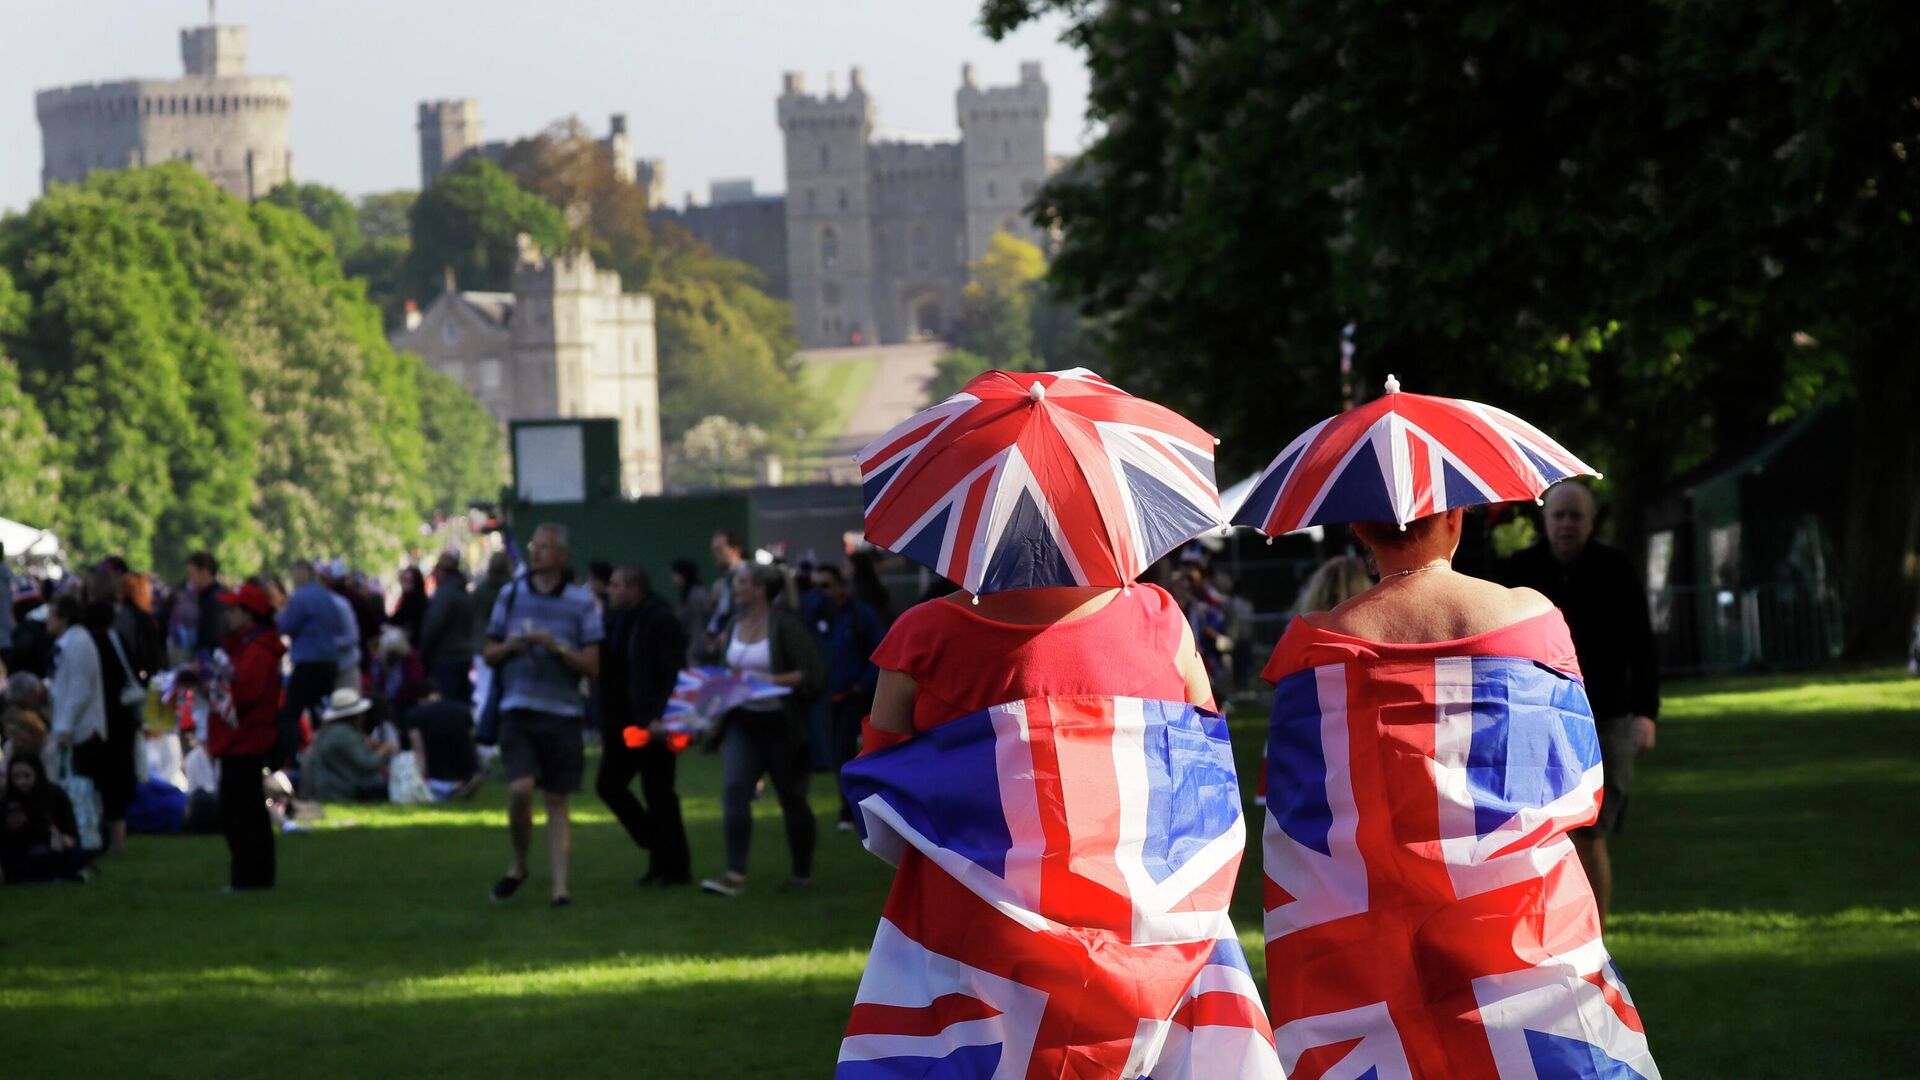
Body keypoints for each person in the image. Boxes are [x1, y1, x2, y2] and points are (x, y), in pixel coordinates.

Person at [1261, 507, 1656, 1076]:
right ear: (1455, 521)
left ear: (1360, 529)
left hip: (1374, 951)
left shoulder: (1311, 650)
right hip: (1522, 930)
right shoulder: (1530, 617)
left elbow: (1299, 828)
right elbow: (1577, 776)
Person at [1493, 481, 1660, 926]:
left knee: (1591, 832)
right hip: (1536, 715)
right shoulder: (1519, 571)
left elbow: (1641, 644)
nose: (1566, 525)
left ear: (1591, 522)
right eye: (1558, 516)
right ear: (1544, 521)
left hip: (1606, 715)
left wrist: (1646, 712)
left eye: (1575, 517)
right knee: (1538, 832)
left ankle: (1596, 934)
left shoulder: (1616, 568)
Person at [481, 524, 601, 907]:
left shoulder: (581, 603)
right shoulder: (511, 594)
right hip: (517, 708)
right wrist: (514, 646)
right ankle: (519, 864)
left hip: (562, 712)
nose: (537, 553)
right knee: (520, 789)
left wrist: (559, 649)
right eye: (535, 546)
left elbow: (594, 666)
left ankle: (560, 889)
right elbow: (489, 653)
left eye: (546, 547)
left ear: (563, 556)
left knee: (557, 799)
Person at [699, 562, 824, 897]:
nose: (734, 589)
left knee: (792, 798)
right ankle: (734, 874)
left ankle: (801, 875)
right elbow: (729, 672)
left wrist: (770, 681)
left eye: (740, 583)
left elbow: (810, 673)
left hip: (781, 724)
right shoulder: (736, 623)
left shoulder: (785, 625)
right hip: (743, 722)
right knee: (735, 790)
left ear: (758, 589)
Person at [595, 567, 691, 885]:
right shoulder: (619, 619)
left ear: (635, 590)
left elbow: (672, 671)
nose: (610, 590)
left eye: (616, 585)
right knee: (612, 784)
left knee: (658, 792)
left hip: (651, 722)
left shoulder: (657, 619)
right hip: (624, 719)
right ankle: (661, 851)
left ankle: (671, 866)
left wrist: (663, 715)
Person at [211, 581, 284, 892]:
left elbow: (244, 695)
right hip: (244, 740)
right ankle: (254, 878)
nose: (228, 614)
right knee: (246, 812)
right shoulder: (250, 647)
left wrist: (214, 686)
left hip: (245, 741)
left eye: (233, 608)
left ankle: (248, 878)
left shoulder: (256, 651)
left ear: (249, 614)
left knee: (242, 814)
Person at [810, 565, 883, 831]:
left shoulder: (859, 615)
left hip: (854, 696)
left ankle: (853, 811)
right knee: (838, 754)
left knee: (851, 752)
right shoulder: (817, 615)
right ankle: (850, 810)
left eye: (827, 586)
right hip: (829, 697)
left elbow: (880, 650)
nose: (821, 592)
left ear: (841, 586)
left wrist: (862, 684)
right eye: (817, 587)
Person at [46, 593, 107, 848]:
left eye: (51, 615)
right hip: (74, 726)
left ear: (63, 617)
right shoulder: (71, 642)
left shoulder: (79, 643)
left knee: (82, 784)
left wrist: (65, 726)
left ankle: (87, 833)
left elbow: (80, 689)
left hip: (82, 729)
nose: (47, 620)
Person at [84, 600, 141, 856]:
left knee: (103, 779)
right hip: (121, 719)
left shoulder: (88, 644)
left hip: (100, 719)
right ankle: (118, 838)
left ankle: (106, 837)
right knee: (117, 780)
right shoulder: (117, 640)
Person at [275, 561, 343, 768]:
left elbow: (285, 626)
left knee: (289, 714)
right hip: (329, 662)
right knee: (323, 713)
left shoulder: (302, 597)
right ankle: (327, 757)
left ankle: (294, 760)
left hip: (308, 663)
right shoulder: (326, 597)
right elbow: (337, 626)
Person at [0, 754, 91, 884]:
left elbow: (70, 829)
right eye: (16, 777)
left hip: (51, 849)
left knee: (73, 855)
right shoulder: (7, 798)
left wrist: (65, 838)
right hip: (22, 852)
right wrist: (10, 827)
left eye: (27, 776)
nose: (21, 782)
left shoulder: (54, 794)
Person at [308, 688, 391, 803]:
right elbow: (366, 764)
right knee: (377, 781)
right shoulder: (344, 734)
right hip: (338, 792)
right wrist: (384, 750)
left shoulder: (331, 731)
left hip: (326, 787)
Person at [400, 688, 482, 801]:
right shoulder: (462, 709)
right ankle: (462, 787)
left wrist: (421, 777)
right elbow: (474, 740)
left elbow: (419, 749)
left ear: (420, 699)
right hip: (465, 773)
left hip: (435, 776)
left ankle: (448, 789)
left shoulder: (416, 715)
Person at [418, 552, 473, 701]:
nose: (434, 574)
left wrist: (423, 655)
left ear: (443, 571)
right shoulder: (462, 591)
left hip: (445, 659)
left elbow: (432, 627)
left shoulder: (444, 594)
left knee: (446, 704)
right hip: (462, 656)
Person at [699, 530, 745, 662]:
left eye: (719, 550)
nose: (714, 555)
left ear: (735, 550)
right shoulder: (724, 581)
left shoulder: (742, 576)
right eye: (713, 550)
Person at [319, 561, 363, 692]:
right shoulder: (318, 605)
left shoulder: (341, 603)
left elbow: (352, 637)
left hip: (345, 667)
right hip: (328, 669)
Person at [669, 558, 712, 667]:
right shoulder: (692, 594)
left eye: (674, 574)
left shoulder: (696, 596)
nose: (672, 578)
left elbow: (698, 626)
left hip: (698, 650)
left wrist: (695, 649)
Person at [388, 565, 429, 650]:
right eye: (403, 580)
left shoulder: (416, 602)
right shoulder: (405, 600)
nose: (405, 584)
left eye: (409, 581)